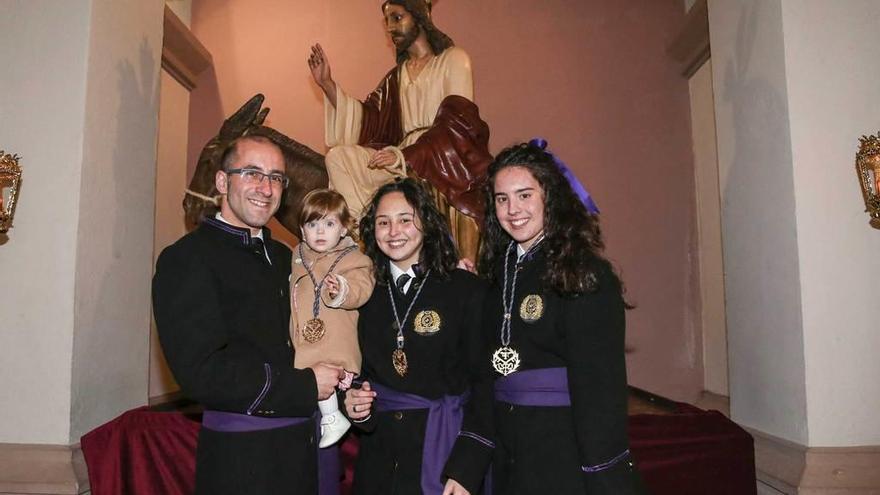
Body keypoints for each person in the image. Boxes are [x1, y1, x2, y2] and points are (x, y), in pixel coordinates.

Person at [152, 135, 344, 494]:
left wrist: (347, 384)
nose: (265, 187)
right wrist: (305, 385)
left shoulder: (289, 257)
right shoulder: (187, 259)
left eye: (275, 177)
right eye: (252, 173)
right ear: (223, 181)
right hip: (244, 462)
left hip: (305, 451)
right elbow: (202, 373)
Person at [477, 141, 647, 494]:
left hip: (565, 456)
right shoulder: (496, 274)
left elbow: (601, 390)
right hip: (508, 457)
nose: (513, 210)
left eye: (525, 195)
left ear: (549, 197)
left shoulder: (585, 273)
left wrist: (603, 473)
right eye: (502, 199)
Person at [307, 0, 492, 260]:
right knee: (338, 157)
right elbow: (369, 120)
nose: (391, 28)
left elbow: (458, 123)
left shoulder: (453, 60)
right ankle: (366, 231)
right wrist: (327, 85)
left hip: (440, 158)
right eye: (387, 22)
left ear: (419, 16)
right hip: (399, 158)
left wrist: (406, 156)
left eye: (397, 18)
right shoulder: (398, 75)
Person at [343, 178, 493, 495]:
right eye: (383, 222)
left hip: (446, 456)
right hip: (380, 464)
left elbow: (486, 385)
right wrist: (356, 404)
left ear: (426, 223)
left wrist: (467, 468)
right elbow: (360, 372)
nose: (394, 231)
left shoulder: (466, 290)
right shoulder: (364, 293)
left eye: (405, 220)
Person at [290, 188, 375, 448]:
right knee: (308, 368)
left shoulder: (354, 259)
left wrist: (341, 289)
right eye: (312, 224)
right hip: (305, 334)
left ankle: (331, 417)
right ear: (302, 230)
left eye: (328, 224)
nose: (319, 231)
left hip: (336, 337)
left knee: (321, 366)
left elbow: (362, 289)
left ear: (343, 229)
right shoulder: (297, 257)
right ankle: (329, 415)